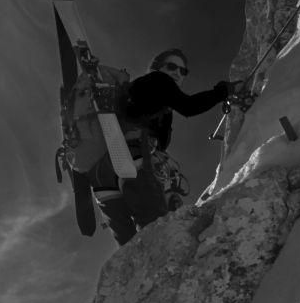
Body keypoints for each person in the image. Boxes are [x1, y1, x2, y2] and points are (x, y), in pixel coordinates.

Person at [92, 48, 237, 244]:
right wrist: (223, 91)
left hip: (103, 173)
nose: (177, 73)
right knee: (156, 232)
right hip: (132, 158)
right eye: (171, 66)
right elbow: (189, 106)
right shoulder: (159, 80)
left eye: (183, 71)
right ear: (157, 68)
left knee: (128, 244)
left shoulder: (135, 91)